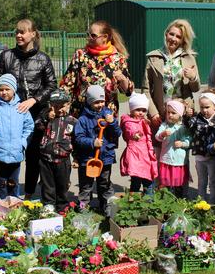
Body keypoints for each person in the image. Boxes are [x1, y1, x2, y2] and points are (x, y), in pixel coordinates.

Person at [0, 19, 57, 201]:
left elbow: (51, 85)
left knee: (33, 156)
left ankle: (28, 194)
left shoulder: (43, 59)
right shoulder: (7, 56)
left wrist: (34, 100)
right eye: (17, 32)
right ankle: (5, 195)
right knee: (6, 153)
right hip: (9, 114)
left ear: (33, 34)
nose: (18, 35)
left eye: (23, 32)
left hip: (35, 114)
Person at [60, 20, 133, 116]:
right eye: (88, 34)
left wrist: (123, 79)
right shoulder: (81, 55)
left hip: (107, 116)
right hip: (81, 114)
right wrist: (61, 104)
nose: (89, 38)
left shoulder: (118, 59)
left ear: (105, 37)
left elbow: (127, 91)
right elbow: (67, 84)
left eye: (93, 35)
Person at [141, 19, 200, 128]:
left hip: (182, 113)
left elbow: (196, 88)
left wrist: (193, 77)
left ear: (183, 40)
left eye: (178, 37)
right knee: (160, 143)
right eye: (171, 34)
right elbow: (146, 89)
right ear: (166, 34)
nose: (173, 39)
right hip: (160, 113)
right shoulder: (154, 57)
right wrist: (153, 113)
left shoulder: (189, 58)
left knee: (181, 144)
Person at [74, 85, 121, 216]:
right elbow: (78, 138)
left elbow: (117, 133)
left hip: (105, 157)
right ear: (89, 101)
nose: (100, 104)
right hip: (88, 158)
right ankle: (83, 208)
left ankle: (106, 206)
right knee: (86, 186)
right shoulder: (83, 119)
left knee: (105, 184)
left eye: (102, 101)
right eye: (96, 102)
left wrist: (112, 123)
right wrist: (92, 142)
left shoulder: (108, 115)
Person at [0, 74, 35, 199]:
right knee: (1, 183)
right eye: (1, 89)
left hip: (15, 153)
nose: (4, 92)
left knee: (13, 183)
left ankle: (14, 207)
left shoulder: (21, 108)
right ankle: (1, 206)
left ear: (14, 90)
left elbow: (29, 126)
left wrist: (22, 143)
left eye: (7, 89)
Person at [36, 89, 77, 211]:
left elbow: (76, 141)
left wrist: (76, 158)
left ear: (68, 104)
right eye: (55, 106)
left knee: (62, 185)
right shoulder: (46, 117)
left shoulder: (72, 121)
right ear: (50, 105)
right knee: (47, 185)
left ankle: (62, 206)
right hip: (45, 159)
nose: (59, 109)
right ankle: (48, 205)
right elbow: (37, 125)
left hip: (63, 160)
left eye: (62, 106)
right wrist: (46, 117)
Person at [185, 92, 215, 203]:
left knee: (213, 181)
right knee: (202, 180)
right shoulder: (197, 118)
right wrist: (187, 116)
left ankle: (213, 202)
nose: (204, 110)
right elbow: (188, 125)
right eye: (202, 107)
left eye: (207, 107)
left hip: (212, 157)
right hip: (200, 156)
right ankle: (201, 202)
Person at [120, 93, 158, 195]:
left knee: (148, 180)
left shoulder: (142, 121)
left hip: (145, 155)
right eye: (138, 110)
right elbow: (129, 131)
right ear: (131, 110)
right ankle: (133, 204)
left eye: (144, 110)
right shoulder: (128, 122)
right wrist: (134, 135)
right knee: (136, 180)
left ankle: (149, 203)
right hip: (135, 154)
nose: (141, 112)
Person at [155, 100, 192, 198]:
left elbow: (189, 140)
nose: (170, 115)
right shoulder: (164, 125)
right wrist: (162, 134)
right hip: (166, 159)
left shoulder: (183, 127)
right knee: (166, 184)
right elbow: (157, 137)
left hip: (178, 161)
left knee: (178, 184)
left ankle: (178, 201)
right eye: (168, 112)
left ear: (180, 115)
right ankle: (166, 203)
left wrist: (182, 143)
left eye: (173, 113)